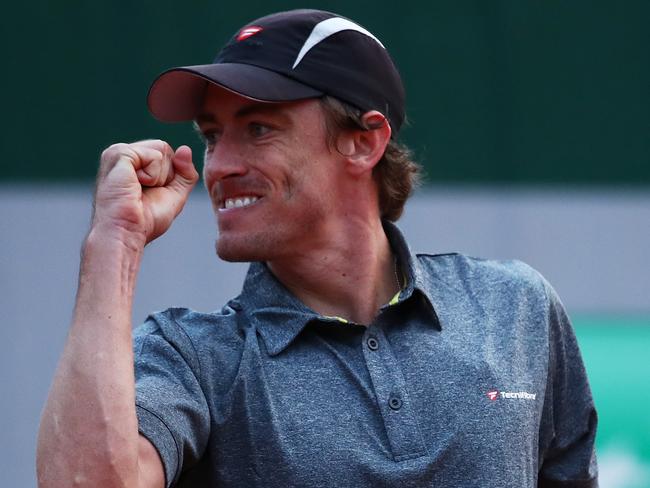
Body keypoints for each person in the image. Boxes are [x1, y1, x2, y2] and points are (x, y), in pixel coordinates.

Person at [36, 9, 598, 488]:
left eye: (258, 128)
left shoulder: (515, 306)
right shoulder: (192, 356)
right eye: (212, 136)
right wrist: (115, 242)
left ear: (364, 141)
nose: (221, 165)